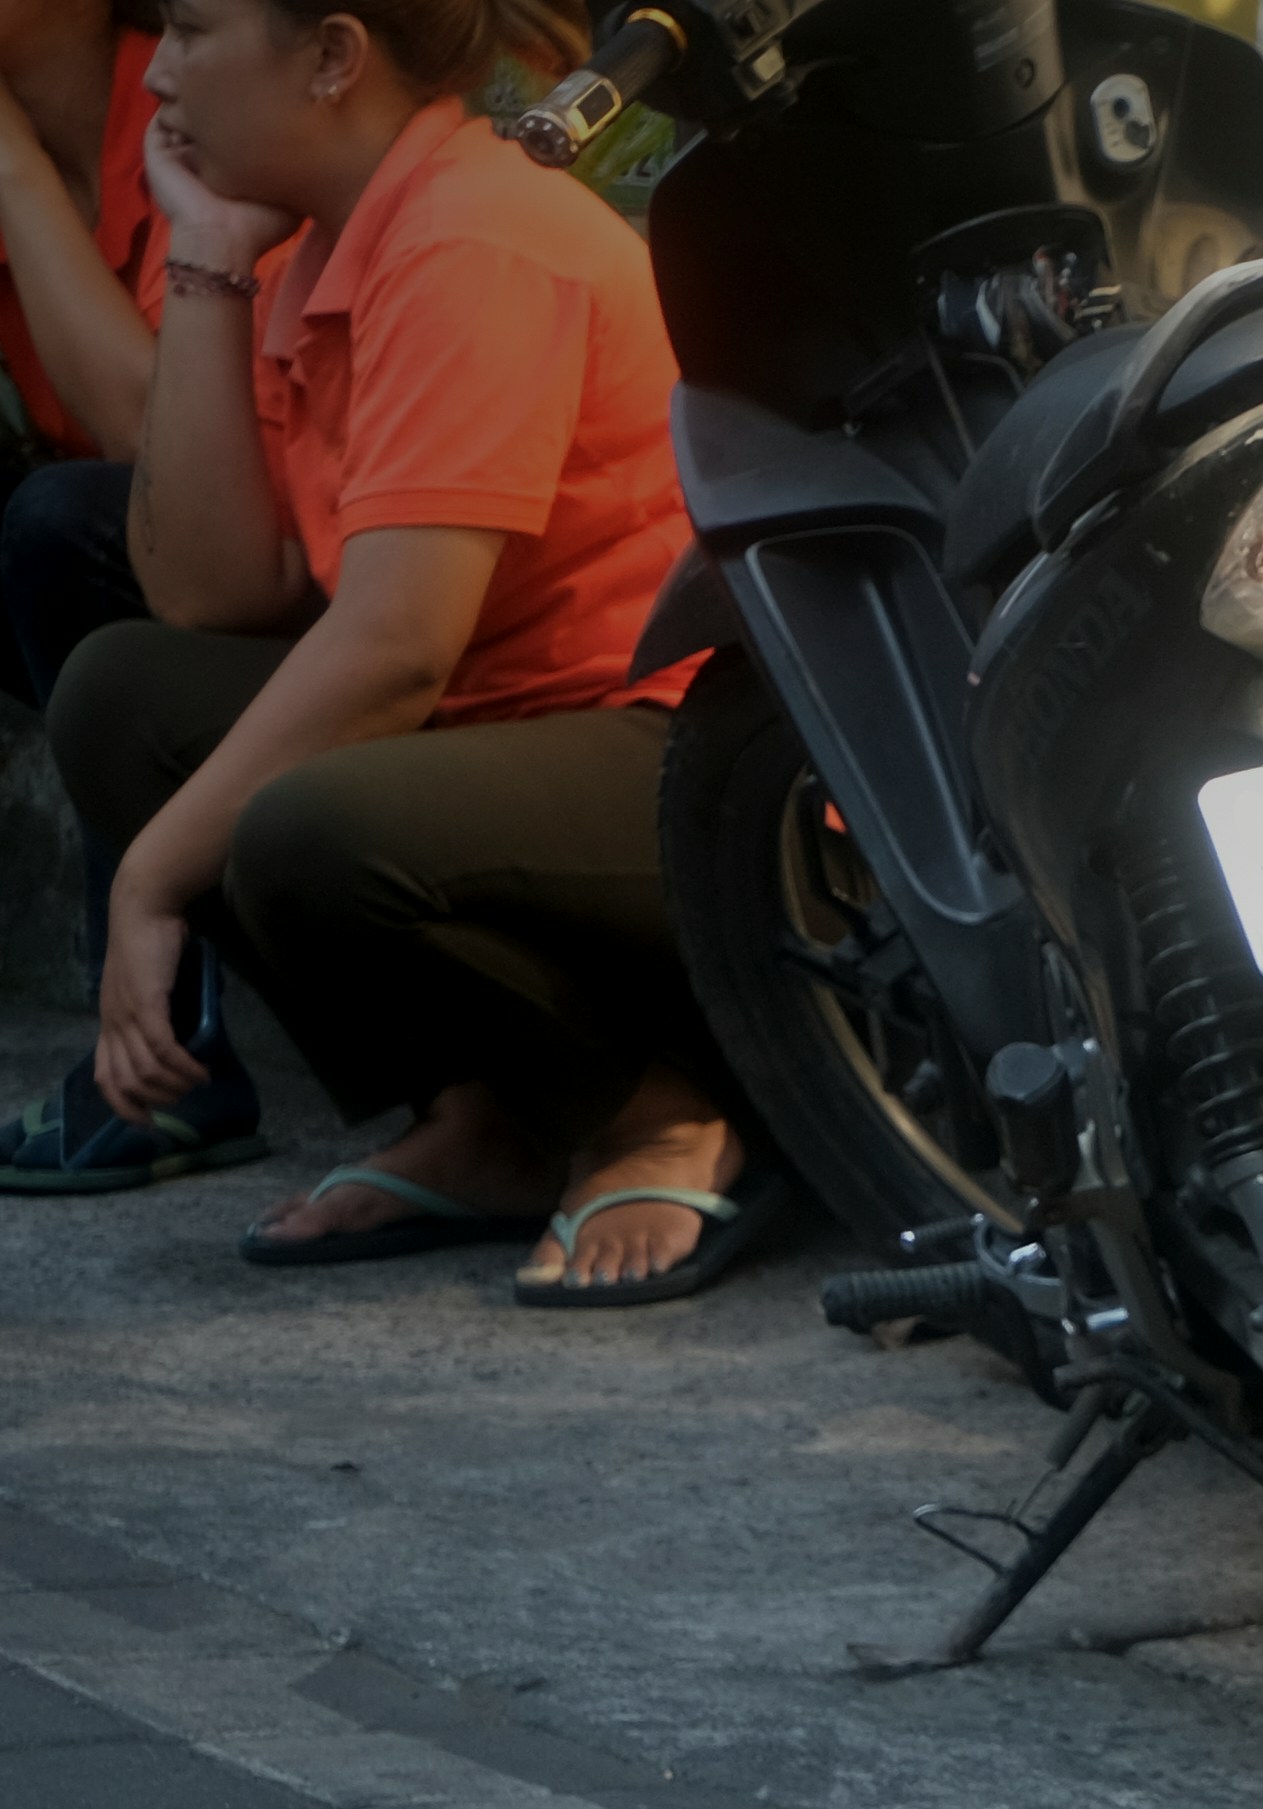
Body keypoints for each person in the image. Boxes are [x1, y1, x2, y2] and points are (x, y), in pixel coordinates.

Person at [29, 0, 761, 1300]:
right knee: (122, 699)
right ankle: (496, 1115)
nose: (165, 76)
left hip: (687, 768)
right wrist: (204, 259)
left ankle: (654, 1108)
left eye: (195, 32)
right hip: (501, 740)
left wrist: (146, 880)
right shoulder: (322, 240)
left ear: (330, 58)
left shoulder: (470, 233)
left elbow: (394, 651)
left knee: (301, 824)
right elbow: (208, 590)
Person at [0, 0, 225, 1191]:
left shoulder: (205, 89)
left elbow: (163, 458)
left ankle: (167, 1052)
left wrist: (6, 164)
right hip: (113, 561)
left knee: (66, 524)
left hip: (271, 571)